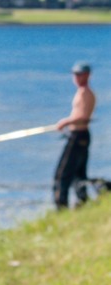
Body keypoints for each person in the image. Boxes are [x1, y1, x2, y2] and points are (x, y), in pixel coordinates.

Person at [53, 61, 96, 209]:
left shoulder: (85, 93)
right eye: (75, 74)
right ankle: (83, 203)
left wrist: (65, 122)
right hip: (81, 136)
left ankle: (61, 207)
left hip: (78, 136)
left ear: (87, 75)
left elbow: (83, 116)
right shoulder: (84, 92)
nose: (76, 77)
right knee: (79, 174)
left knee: (63, 174)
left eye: (79, 74)